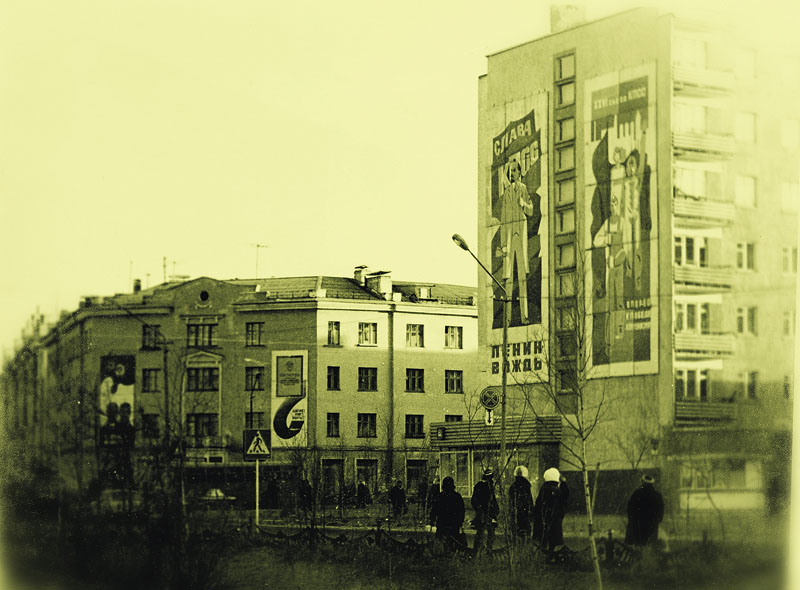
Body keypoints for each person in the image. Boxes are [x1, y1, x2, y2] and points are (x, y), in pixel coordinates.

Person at [497, 159, 536, 324]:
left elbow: (531, 210)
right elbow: (503, 219)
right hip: (509, 237)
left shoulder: (523, 189)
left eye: (514, 170)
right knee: (508, 279)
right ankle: (507, 320)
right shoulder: (506, 192)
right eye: (510, 171)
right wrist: (503, 245)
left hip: (520, 235)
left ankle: (524, 316)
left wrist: (524, 204)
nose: (512, 173)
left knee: (522, 277)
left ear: (519, 172)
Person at [533, 467, 570, 557]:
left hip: (543, 522)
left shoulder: (543, 489)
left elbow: (538, 506)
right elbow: (564, 501)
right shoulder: (557, 491)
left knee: (543, 542)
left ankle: (544, 556)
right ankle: (551, 556)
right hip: (554, 522)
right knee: (553, 542)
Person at [625, 474, 664, 547]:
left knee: (638, 544)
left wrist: (631, 519)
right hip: (652, 525)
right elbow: (660, 511)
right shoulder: (657, 495)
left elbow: (630, 508)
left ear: (643, 482)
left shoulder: (637, 493)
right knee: (650, 544)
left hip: (638, 524)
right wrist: (657, 520)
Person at [429, 476, 465, 551]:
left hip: (442, 523)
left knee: (441, 542)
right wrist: (460, 522)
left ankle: (442, 554)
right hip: (454, 523)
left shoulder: (440, 496)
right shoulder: (457, 496)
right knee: (453, 542)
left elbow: (434, 509)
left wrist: (432, 520)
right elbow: (461, 510)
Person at [471, 468, 499, 553]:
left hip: (485, 513)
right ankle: (483, 550)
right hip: (485, 513)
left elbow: (475, 500)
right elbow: (475, 500)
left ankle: (480, 550)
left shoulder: (482, 486)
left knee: (483, 532)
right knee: (486, 532)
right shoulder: (485, 487)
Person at [509, 465, 534, 541]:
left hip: (516, 513)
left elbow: (511, 501)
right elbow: (529, 500)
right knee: (525, 532)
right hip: (525, 513)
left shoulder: (513, 486)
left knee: (516, 532)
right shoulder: (526, 486)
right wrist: (532, 512)